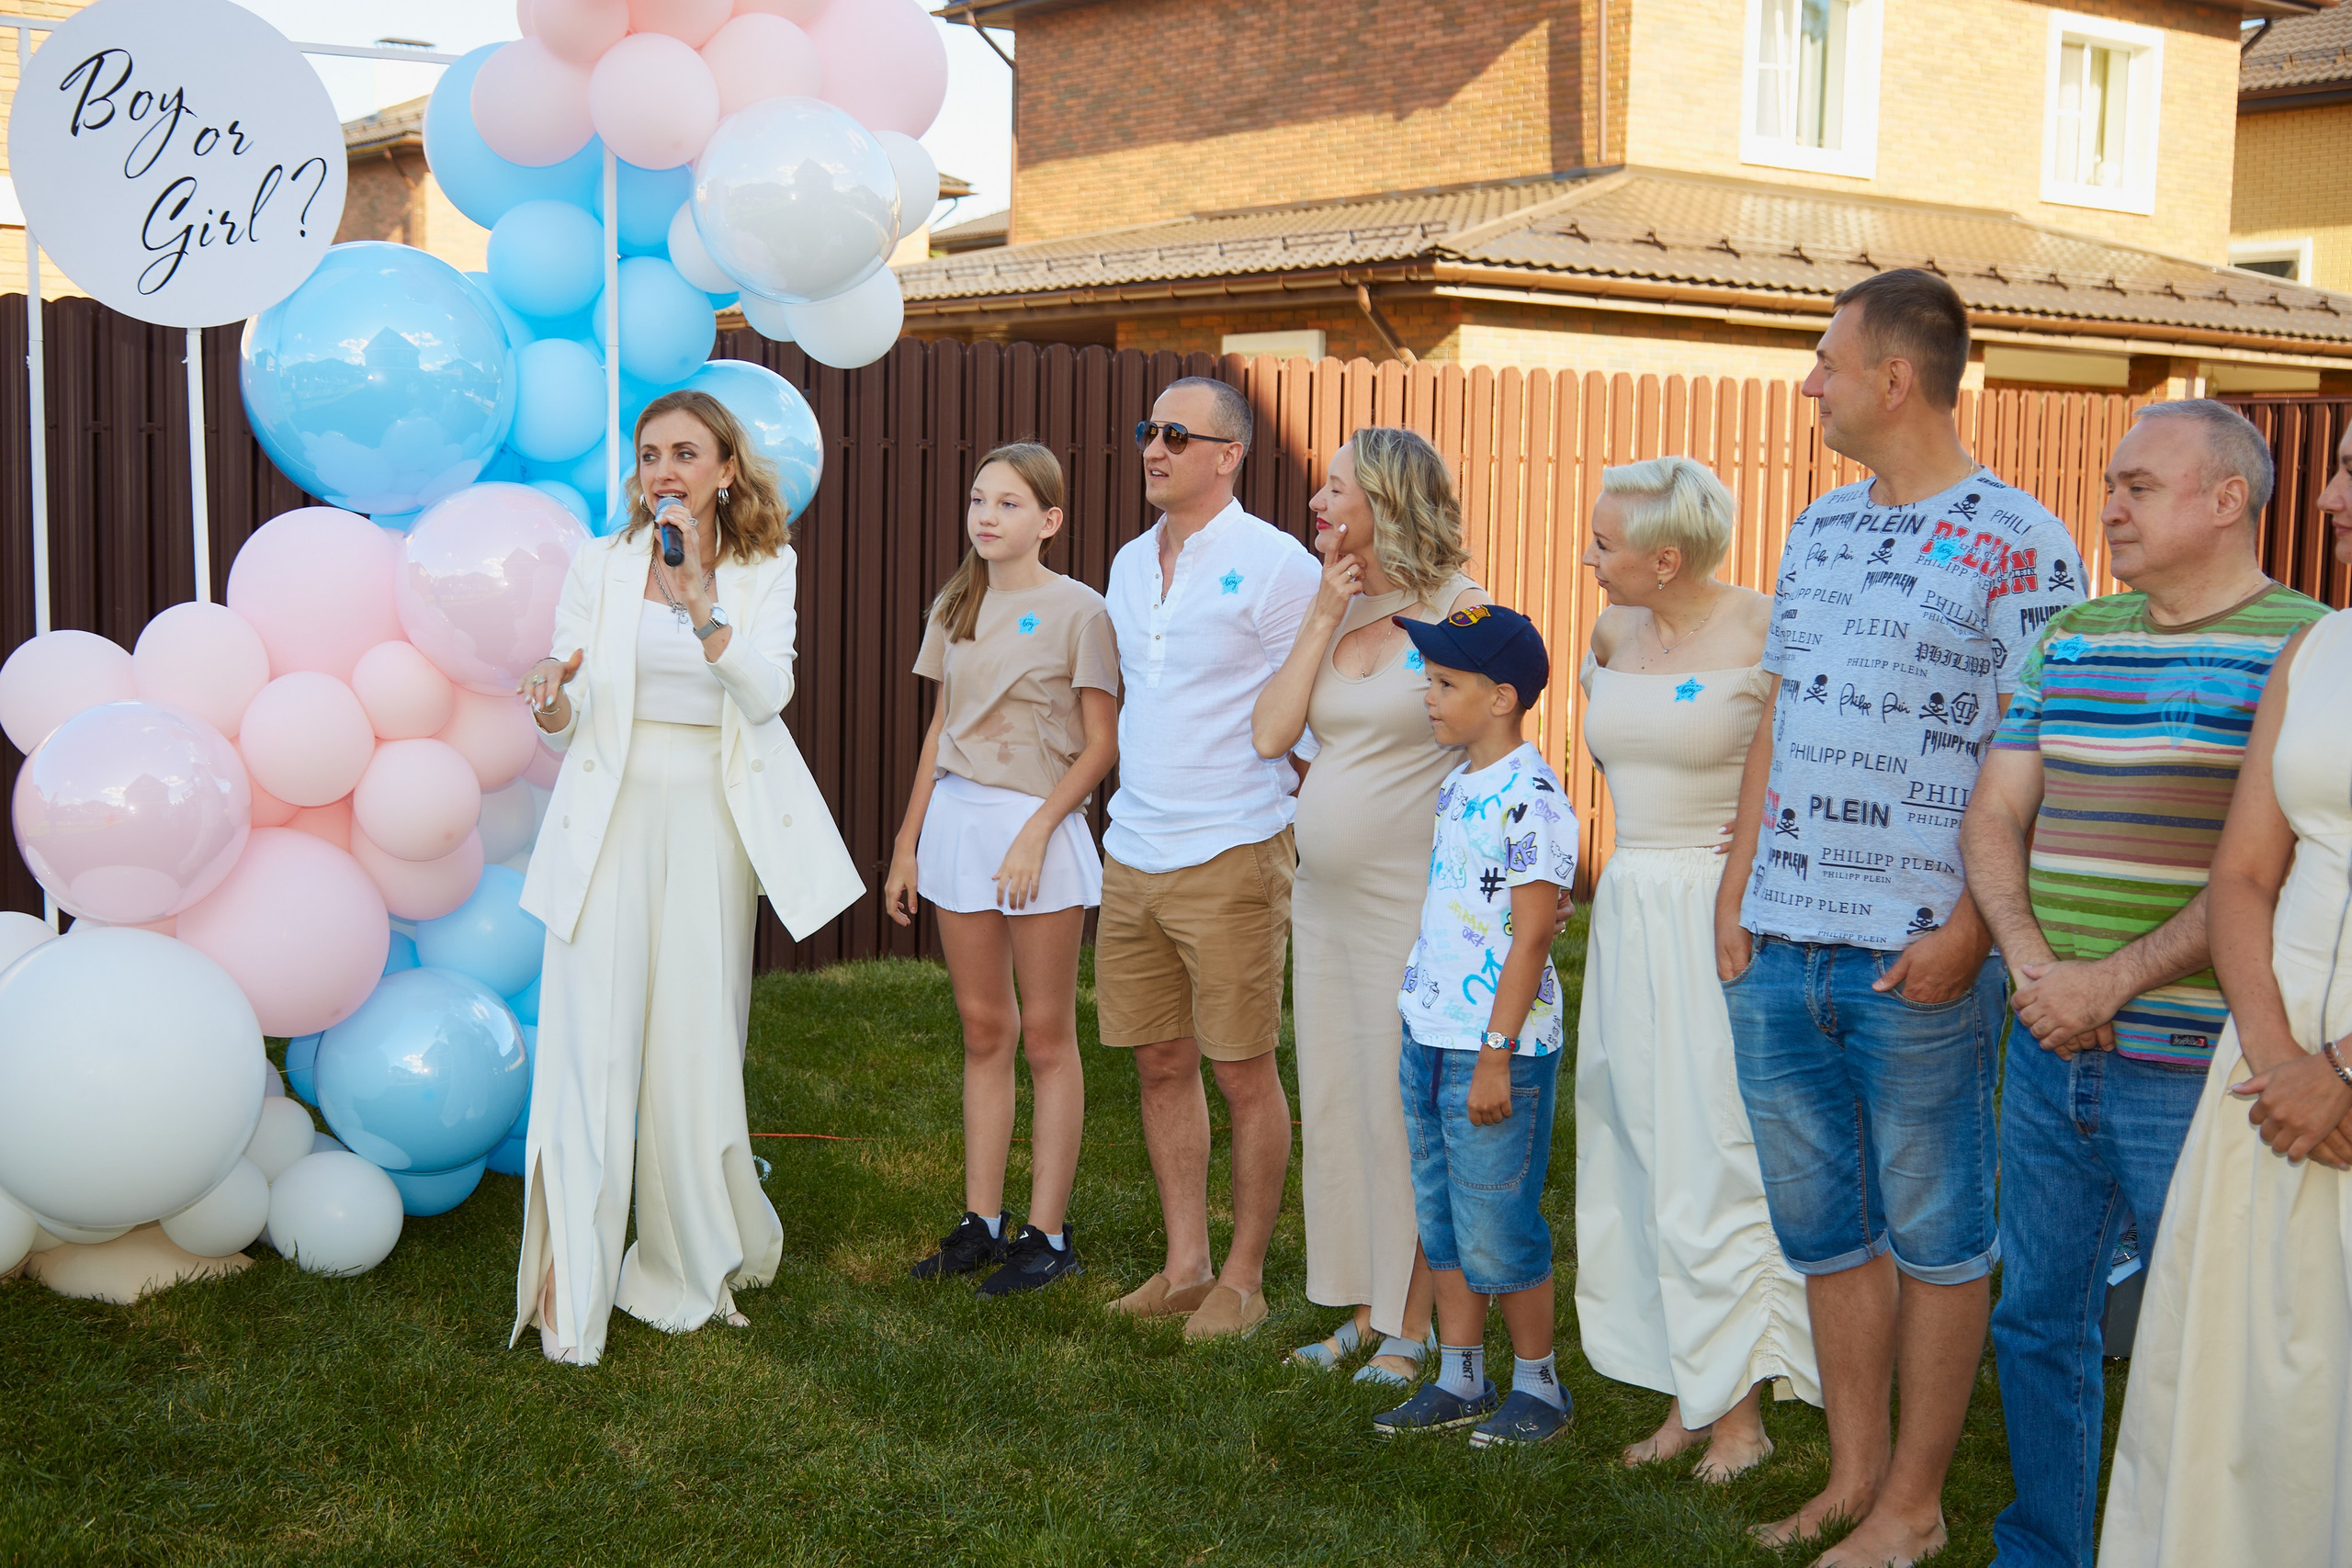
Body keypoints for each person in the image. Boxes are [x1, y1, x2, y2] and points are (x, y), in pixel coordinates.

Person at [1714, 268, 2083, 1567]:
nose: (1808, 382)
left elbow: (2035, 755)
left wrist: (1977, 933)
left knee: (1935, 1232)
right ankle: (1854, 1475)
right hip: (1780, 940)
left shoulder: (2024, 542)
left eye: (1825, 359)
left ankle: (1917, 1506)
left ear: (1895, 378)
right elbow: (1780, 716)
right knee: (1826, 1227)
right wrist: (1733, 892)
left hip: (1919, 949)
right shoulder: (1815, 526)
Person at [1962, 400, 2325, 1568]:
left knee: (2207, 1334)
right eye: (2110, 483)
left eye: (2139, 486)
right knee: (2035, 1320)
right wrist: (2033, 973)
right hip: (2047, 1042)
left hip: (2209, 1065)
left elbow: (2269, 874)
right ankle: (2049, 1549)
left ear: (2227, 500)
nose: (2108, 506)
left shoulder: (2306, 650)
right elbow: (1996, 814)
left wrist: (2105, 981)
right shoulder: (2072, 635)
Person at [511, 389, 864, 1366]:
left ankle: (681, 1258)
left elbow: (767, 693)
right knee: (588, 1046)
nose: (664, 468)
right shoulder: (602, 563)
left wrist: (704, 603)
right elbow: (571, 709)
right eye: (650, 452)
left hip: (709, 824)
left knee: (692, 1045)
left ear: (722, 471)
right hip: (607, 823)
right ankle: (566, 1281)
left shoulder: (763, 569)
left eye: (685, 452)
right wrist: (547, 700)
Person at [2099, 423, 2352, 1568]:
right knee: (2240, 1369)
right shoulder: (2321, 654)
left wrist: (2339, 1072)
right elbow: (2244, 872)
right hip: (2265, 1052)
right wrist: (2276, 1053)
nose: (2332, 494)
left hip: (2328, 1065)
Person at [1574, 456, 1817, 1483]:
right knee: (1636, 1144)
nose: (1588, 559)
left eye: (1604, 544)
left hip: (1721, 918)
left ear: (1665, 558)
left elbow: (1794, 772)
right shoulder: (1610, 633)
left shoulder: (1767, 630)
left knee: (1714, 1152)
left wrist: (1736, 888)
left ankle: (1740, 1415)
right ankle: (1688, 1384)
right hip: (1630, 906)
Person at [1249, 427, 1485, 1388]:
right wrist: (1319, 612)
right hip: (1327, 905)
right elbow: (1271, 732)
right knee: (1340, 1104)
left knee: (1403, 1115)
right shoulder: (1341, 607)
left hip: (1414, 908)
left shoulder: (1462, 613)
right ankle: (1361, 1308)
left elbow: (1492, 750)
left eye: (1334, 487)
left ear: (1383, 502)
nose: (1316, 501)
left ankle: (1412, 1326)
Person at [1099, 376, 1321, 1341]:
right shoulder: (1122, 562)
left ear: (1228, 455)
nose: (1154, 447)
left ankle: (1244, 1277)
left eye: (1178, 435)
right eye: (1150, 429)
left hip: (1233, 847)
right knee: (1157, 1059)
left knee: (1241, 1069)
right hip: (1133, 848)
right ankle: (1184, 1263)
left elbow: (1307, 718)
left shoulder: (1276, 565)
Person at [883, 443, 1119, 1296]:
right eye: (980, 499)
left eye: (1009, 503)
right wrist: (909, 842)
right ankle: (981, 1223)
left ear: (1049, 521)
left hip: (1037, 831)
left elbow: (1101, 745)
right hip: (957, 826)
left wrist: (1038, 831)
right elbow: (941, 729)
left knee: (1049, 1036)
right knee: (985, 1030)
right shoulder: (956, 603)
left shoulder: (1081, 612)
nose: (987, 516)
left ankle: (1047, 1235)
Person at [1364, 604, 1578, 1448]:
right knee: (1445, 1213)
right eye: (1429, 675)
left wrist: (1495, 1054)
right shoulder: (1459, 781)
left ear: (1501, 696)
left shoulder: (1532, 797)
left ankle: (1540, 1386)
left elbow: (1530, 936)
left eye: (1445, 681)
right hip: (1430, 1031)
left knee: (1499, 1222)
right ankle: (1460, 1372)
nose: (1428, 692)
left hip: (1498, 1047)